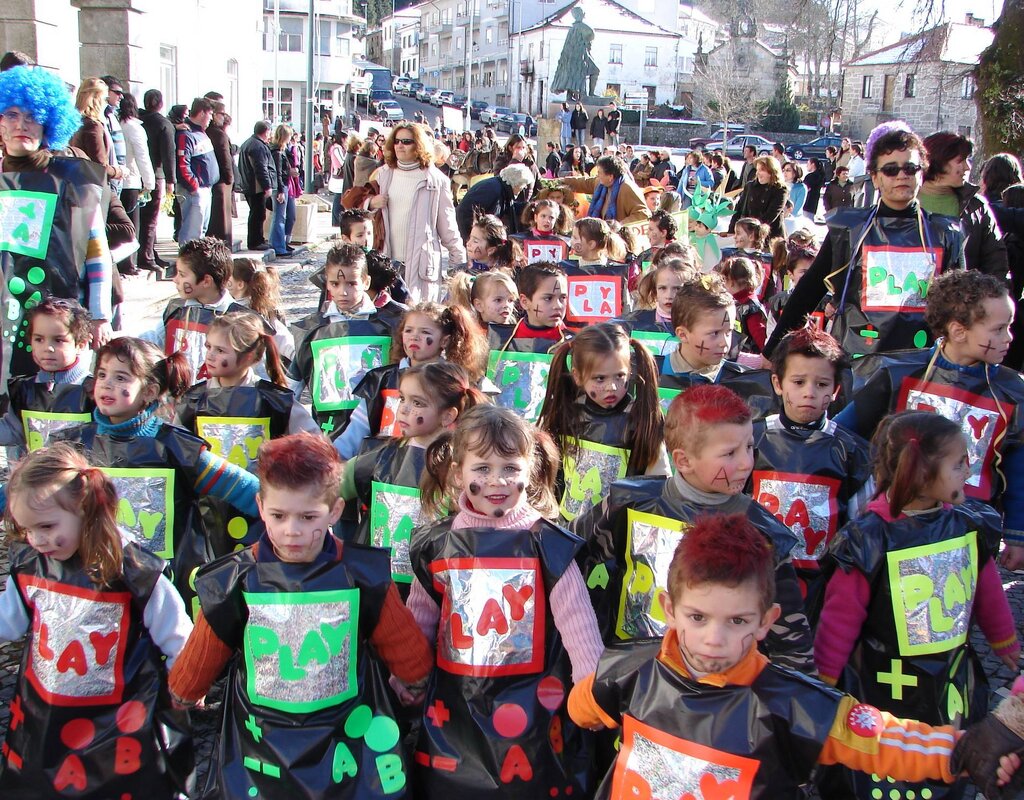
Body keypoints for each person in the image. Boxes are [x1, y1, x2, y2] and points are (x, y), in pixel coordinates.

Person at [567, 513, 1024, 799]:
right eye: (698, 617)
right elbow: (582, 708)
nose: (713, 639)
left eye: (738, 621)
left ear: (767, 621)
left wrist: (964, 750)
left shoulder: (791, 702)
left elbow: (878, 737)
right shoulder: (629, 670)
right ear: (669, 609)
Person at [166, 432, 431, 798]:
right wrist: (183, 690)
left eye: (308, 516)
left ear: (335, 511)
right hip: (263, 736)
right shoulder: (236, 580)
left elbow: (399, 638)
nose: (292, 530)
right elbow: (206, 647)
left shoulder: (362, 574)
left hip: (344, 730)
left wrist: (414, 677)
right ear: (260, 507)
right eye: (279, 515)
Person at [815, 411, 1020, 800]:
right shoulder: (869, 539)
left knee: (946, 755)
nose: (968, 469)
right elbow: (840, 618)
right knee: (889, 757)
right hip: (885, 679)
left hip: (949, 677)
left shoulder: (967, 524)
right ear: (923, 473)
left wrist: (1004, 641)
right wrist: (822, 682)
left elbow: (987, 587)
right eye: (958, 463)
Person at [408, 404, 604, 797]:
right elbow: (421, 616)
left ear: (529, 471)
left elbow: (576, 621)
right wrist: (408, 676)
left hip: (532, 705)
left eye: (510, 468)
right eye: (482, 469)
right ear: (458, 471)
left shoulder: (545, 542)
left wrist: (590, 686)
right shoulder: (437, 544)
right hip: (456, 707)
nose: (496, 480)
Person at [568, 384, 811, 670]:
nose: (747, 463)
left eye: (748, 447)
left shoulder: (763, 533)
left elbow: (790, 638)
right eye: (730, 453)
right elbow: (570, 557)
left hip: (720, 684)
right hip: (631, 671)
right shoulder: (630, 503)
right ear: (683, 460)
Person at [0, 444, 194, 799]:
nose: (37, 540)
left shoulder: (136, 573)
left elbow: (179, 638)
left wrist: (184, 689)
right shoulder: (31, 565)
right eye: (27, 530)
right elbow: (8, 622)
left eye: (46, 526)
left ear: (86, 509)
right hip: (46, 718)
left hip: (122, 725)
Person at [834, 269, 1024, 571]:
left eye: (1009, 327)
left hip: (966, 530)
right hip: (892, 526)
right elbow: (841, 433)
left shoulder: (1013, 393)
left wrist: (1016, 535)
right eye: (999, 329)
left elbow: (1018, 465)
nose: (1009, 338)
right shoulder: (900, 374)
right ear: (959, 331)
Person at [55, 336, 259, 607]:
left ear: (150, 391)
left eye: (121, 378)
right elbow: (26, 491)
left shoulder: (176, 448)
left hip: (168, 587)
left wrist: (294, 517)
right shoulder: (72, 446)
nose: (106, 383)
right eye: (102, 374)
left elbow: (244, 488)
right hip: (97, 582)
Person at [765, 121, 965, 361]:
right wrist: (772, 350)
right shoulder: (849, 229)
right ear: (875, 177)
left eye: (910, 168)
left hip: (922, 364)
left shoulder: (946, 234)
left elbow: (961, 307)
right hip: (857, 365)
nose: (901, 175)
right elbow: (809, 289)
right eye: (891, 169)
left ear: (921, 174)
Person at [0, 66, 114, 380]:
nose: (21, 125)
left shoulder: (73, 176)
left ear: (49, 123)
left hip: (58, 320)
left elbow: (96, 250)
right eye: (11, 114)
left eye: (33, 116)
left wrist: (100, 316)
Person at [341, 361, 485, 586]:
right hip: (378, 586)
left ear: (447, 416)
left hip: (434, 587)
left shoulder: (462, 467)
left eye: (417, 403)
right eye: (402, 399)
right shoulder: (379, 456)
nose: (404, 409)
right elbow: (329, 489)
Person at [754, 327, 871, 603]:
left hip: (822, 585)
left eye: (821, 384)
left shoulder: (850, 451)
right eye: (798, 382)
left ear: (835, 389)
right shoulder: (752, 438)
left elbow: (860, 523)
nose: (809, 393)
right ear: (778, 384)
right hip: (756, 579)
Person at [537, 322, 668, 521]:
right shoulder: (564, 415)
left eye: (619, 376)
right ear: (578, 377)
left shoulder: (642, 420)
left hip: (617, 532)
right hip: (568, 528)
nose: (611, 387)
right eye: (600, 379)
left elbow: (659, 482)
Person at [331, 300, 487, 457]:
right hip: (385, 471)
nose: (415, 337)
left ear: (444, 341)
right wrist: (332, 459)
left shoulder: (454, 382)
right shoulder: (382, 379)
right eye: (409, 331)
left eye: (425, 332)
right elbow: (357, 429)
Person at [175, 310, 318, 474]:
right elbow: (177, 453)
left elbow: (315, 444)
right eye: (209, 346)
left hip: (262, 497)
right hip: (206, 499)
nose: (210, 355)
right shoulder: (193, 401)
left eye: (220, 350)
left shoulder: (275, 401)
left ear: (249, 357)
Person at [287, 244, 393, 438]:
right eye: (335, 284)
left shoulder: (389, 326)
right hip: (326, 429)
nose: (343, 292)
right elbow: (291, 387)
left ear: (366, 282)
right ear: (327, 283)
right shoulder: (312, 330)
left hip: (376, 427)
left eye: (351, 284)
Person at [367, 123, 466, 303]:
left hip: (421, 264)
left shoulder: (437, 180)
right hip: (386, 261)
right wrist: (370, 203)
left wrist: (458, 263)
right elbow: (354, 205)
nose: (400, 145)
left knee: (419, 319)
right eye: (396, 141)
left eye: (406, 141)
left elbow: (448, 227)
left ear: (419, 145)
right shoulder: (383, 175)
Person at [659, 276, 778, 420]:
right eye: (714, 333)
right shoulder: (651, 374)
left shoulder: (746, 384)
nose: (725, 343)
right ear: (683, 334)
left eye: (729, 332)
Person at [139, 236, 243, 379]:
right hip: (178, 399)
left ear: (206, 281)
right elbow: (154, 341)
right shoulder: (176, 310)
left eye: (182, 274)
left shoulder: (239, 319)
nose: (175, 279)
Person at [0, 298, 94, 453]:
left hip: (79, 475)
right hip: (36, 474)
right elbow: (13, 430)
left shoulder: (94, 391)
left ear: (80, 345)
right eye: (39, 339)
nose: (48, 348)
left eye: (58, 340)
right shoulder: (25, 389)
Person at [921, 131, 1008, 276]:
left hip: (966, 296)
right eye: (960, 161)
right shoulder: (904, 202)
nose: (967, 167)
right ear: (938, 161)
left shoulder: (976, 207)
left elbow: (995, 263)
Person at [224, 258, 294, 364]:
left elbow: (287, 344)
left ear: (240, 285)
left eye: (228, 280)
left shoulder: (259, 314)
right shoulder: (263, 309)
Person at [116, 91, 155, 276]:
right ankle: (129, 264)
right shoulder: (134, 127)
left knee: (118, 224)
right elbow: (142, 156)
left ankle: (122, 263)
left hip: (116, 181)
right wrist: (149, 182)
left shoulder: (115, 124)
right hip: (131, 180)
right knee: (133, 225)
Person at [138, 89, 177, 271]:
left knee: (141, 218)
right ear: (160, 104)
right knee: (151, 219)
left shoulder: (137, 120)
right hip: (156, 174)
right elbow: (168, 154)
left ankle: (150, 253)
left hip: (137, 174)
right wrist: (171, 180)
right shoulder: (163, 124)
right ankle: (147, 255)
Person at [174, 96, 219, 242]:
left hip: (205, 188)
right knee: (192, 232)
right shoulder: (186, 134)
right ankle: (188, 260)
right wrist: (194, 186)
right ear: (201, 113)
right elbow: (183, 164)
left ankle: (196, 259)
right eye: (210, 114)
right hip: (194, 190)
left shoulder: (201, 133)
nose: (211, 118)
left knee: (201, 231)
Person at [624, 257, 696, 346]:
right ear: (655, 292)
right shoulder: (634, 322)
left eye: (677, 289)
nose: (669, 296)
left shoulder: (698, 325)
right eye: (662, 288)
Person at [559, 155, 650, 225]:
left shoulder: (627, 187)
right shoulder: (601, 183)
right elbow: (582, 182)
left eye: (599, 173)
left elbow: (643, 214)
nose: (597, 175)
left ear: (610, 176)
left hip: (620, 241)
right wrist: (559, 182)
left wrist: (619, 225)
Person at [455, 163, 534, 239]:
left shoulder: (500, 187)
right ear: (516, 183)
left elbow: (509, 207)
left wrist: (529, 206)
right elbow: (467, 212)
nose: (524, 188)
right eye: (523, 185)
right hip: (469, 230)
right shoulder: (494, 190)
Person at [766, 231, 818, 331]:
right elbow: (771, 333)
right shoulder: (779, 302)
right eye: (804, 272)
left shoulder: (825, 303)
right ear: (790, 274)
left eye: (813, 271)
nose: (809, 276)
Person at [236, 120, 276, 251]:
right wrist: (267, 186)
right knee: (258, 214)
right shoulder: (257, 146)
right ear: (266, 131)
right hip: (256, 186)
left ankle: (257, 239)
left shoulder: (249, 143)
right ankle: (255, 241)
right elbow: (261, 168)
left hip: (249, 184)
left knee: (256, 213)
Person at [716, 256, 768, 355]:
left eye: (724, 280)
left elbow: (762, 342)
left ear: (731, 281)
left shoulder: (751, 309)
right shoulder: (737, 302)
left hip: (747, 362)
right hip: (734, 356)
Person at [729, 155, 787, 240]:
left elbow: (771, 215)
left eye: (762, 170)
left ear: (772, 171)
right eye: (757, 169)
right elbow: (739, 209)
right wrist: (731, 230)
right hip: (747, 236)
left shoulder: (780, 190)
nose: (758, 173)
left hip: (769, 237)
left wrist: (752, 231)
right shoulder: (750, 186)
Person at [204, 101, 234, 246]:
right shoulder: (218, 134)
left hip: (211, 179)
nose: (224, 116)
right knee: (221, 219)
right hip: (221, 181)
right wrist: (230, 178)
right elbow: (225, 158)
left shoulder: (206, 132)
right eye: (222, 114)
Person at [448, 269, 518, 328]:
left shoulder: (516, 329)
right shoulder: (474, 335)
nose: (506, 305)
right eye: (498, 300)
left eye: (510, 300)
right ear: (479, 305)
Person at [267, 124, 294, 257]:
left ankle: (277, 244)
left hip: (281, 185)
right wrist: (280, 190)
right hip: (280, 186)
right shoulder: (277, 152)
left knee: (279, 216)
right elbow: (277, 172)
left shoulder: (277, 150)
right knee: (279, 217)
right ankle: (278, 246)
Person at [327, 130, 347, 227]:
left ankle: (336, 221)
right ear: (343, 139)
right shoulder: (337, 148)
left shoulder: (335, 148)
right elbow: (342, 161)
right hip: (339, 177)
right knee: (338, 200)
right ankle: (336, 221)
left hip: (338, 176)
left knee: (338, 199)